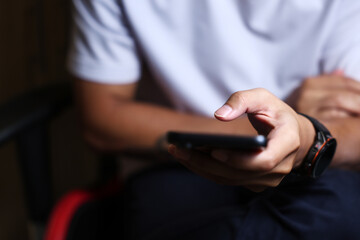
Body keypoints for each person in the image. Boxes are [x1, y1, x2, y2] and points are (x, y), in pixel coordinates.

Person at [68, 0, 360, 239]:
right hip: (174, 166)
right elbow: (101, 120)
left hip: (315, 165)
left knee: (342, 212)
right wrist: (266, 127)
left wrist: (303, 134)